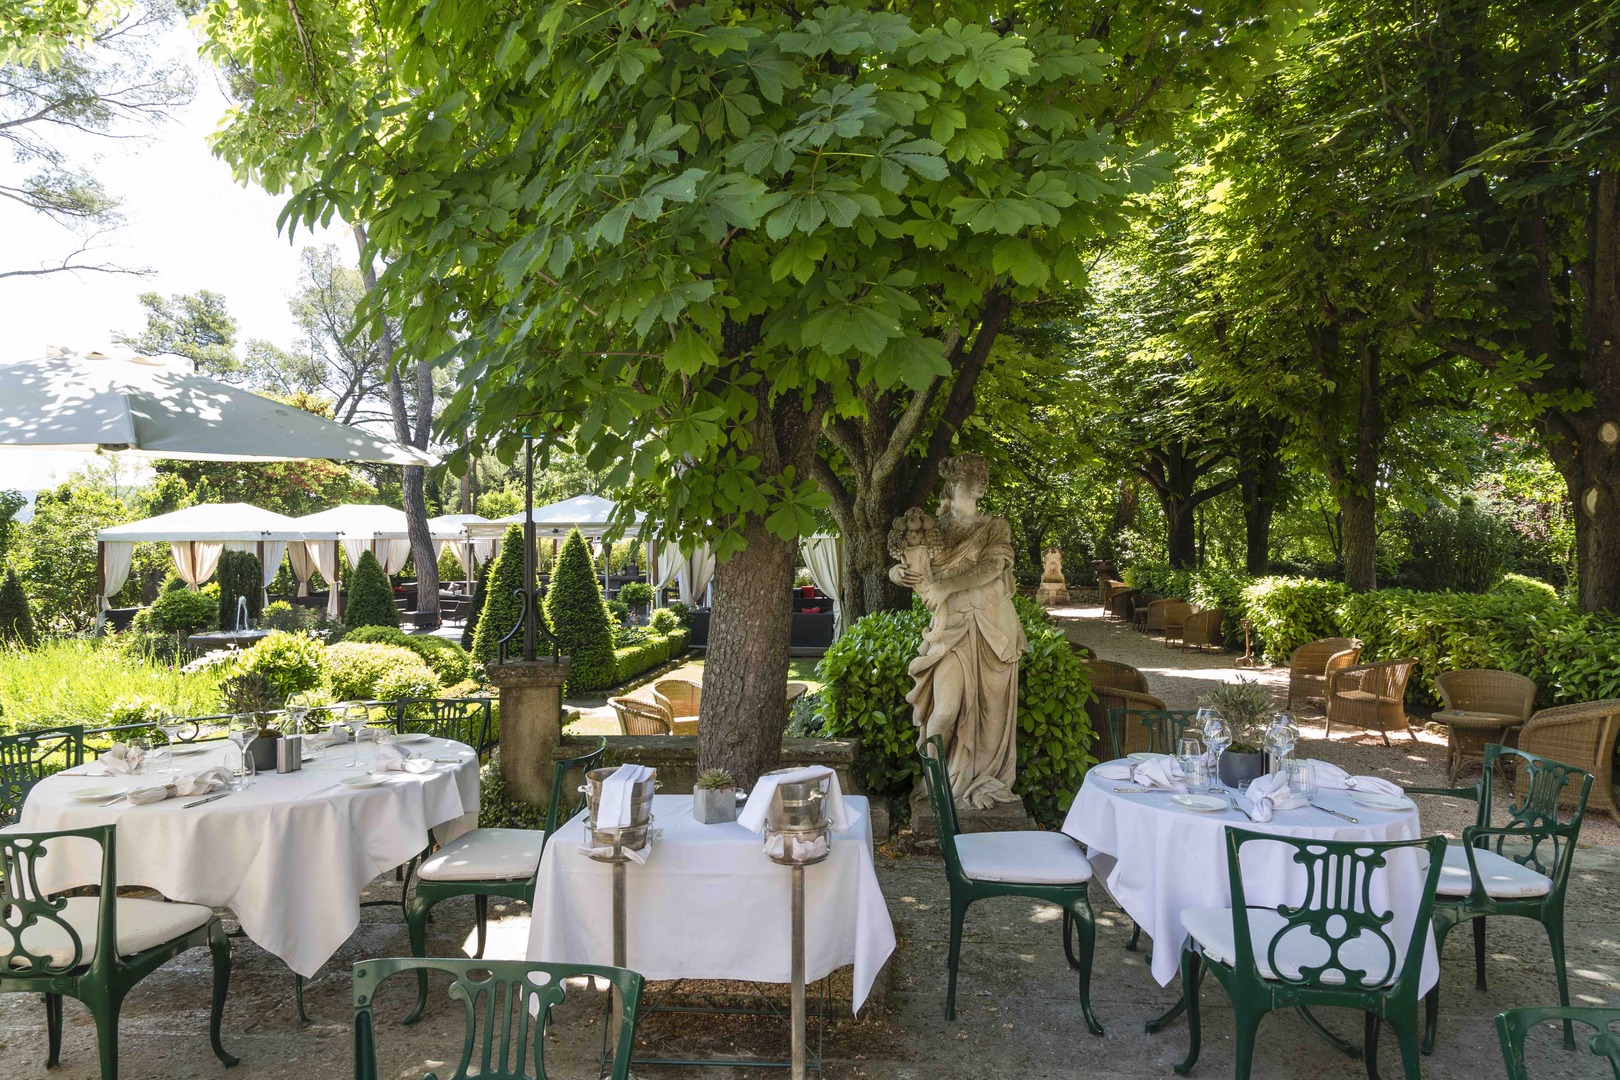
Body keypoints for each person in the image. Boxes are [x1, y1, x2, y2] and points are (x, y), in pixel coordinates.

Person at [889, 453, 1028, 809]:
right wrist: (896, 574)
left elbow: (993, 567)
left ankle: (982, 781)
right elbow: (915, 568)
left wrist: (947, 588)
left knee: (991, 719)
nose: (980, 481)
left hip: (993, 628)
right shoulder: (935, 529)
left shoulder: (995, 525)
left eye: (983, 475)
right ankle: (937, 787)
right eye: (972, 476)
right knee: (946, 710)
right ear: (953, 483)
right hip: (951, 629)